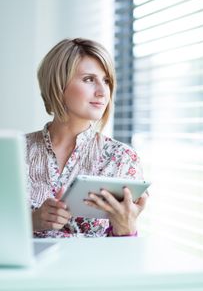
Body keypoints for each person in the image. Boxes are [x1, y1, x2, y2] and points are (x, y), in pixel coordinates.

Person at [26, 38, 148, 238]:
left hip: (93, 269)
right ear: (58, 84)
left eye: (106, 81)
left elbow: (124, 259)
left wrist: (126, 229)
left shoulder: (122, 158)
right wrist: (32, 220)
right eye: (89, 79)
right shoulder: (13, 153)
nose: (102, 92)